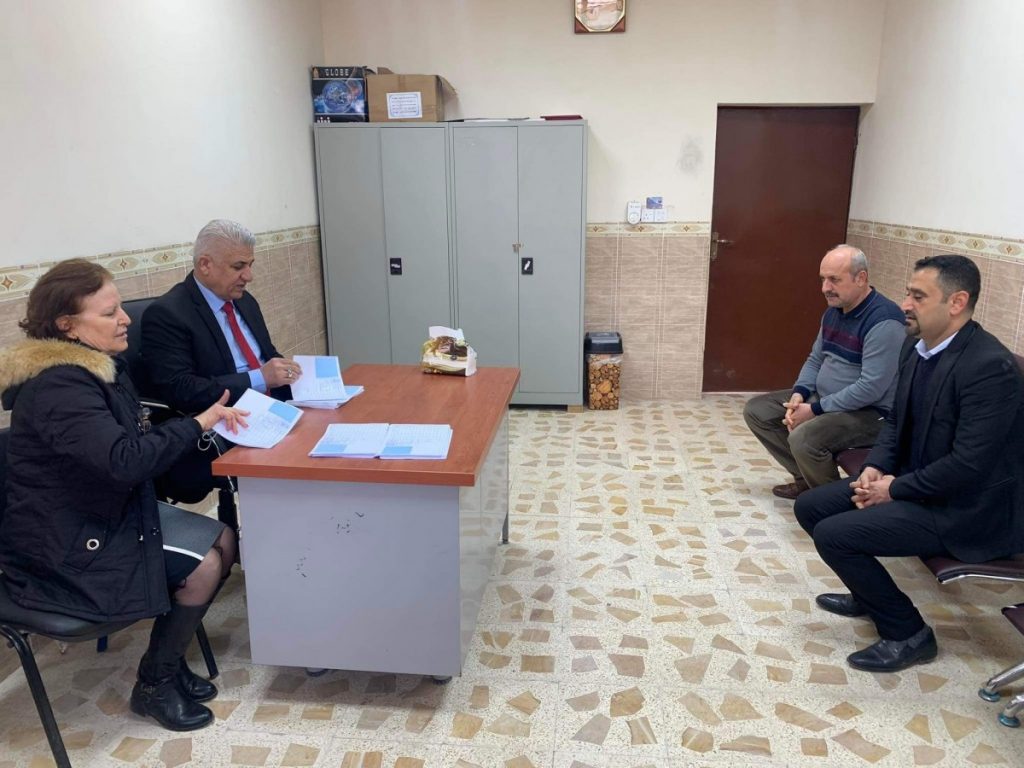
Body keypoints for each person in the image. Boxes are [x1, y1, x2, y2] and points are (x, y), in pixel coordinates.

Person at [0, 259, 248, 730]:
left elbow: (127, 445)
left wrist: (192, 427)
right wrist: (196, 424)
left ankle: (168, 662)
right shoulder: (60, 386)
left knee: (223, 538)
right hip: (64, 547)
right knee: (205, 565)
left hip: (99, 512)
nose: (125, 319)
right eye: (109, 312)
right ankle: (154, 684)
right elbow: (125, 461)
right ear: (67, 325)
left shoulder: (97, 368)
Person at [794, 254, 1024, 673]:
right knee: (811, 506)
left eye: (918, 296)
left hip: (966, 510)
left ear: (956, 302)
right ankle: (869, 595)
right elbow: (897, 421)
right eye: (907, 293)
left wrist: (893, 490)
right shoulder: (918, 349)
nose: (905, 304)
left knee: (835, 535)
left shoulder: (989, 368)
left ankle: (908, 634)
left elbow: (968, 466)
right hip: (919, 484)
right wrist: (875, 467)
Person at [140, 219, 301, 506]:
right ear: (205, 264)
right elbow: (181, 389)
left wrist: (295, 376)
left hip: (269, 410)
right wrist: (259, 378)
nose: (249, 276)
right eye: (239, 266)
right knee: (299, 469)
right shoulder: (168, 314)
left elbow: (266, 356)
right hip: (223, 422)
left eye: (250, 264)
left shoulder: (244, 301)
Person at [744, 245, 905, 498]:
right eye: (823, 279)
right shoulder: (834, 311)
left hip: (871, 413)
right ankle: (806, 480)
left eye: (834, 280)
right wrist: (799, 394)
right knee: (759, 411)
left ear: (861, 278)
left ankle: (830, 500)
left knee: (804, 438)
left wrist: (815, 410)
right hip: (827, 399)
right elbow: (816, 358)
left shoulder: (884, 321)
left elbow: (871, 388)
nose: (825, 288)